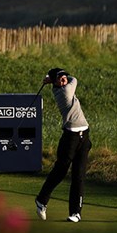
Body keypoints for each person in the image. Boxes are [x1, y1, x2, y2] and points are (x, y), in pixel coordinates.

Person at [34, 68, 92, 223]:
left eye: (64, 76)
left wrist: (50, 80)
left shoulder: (60, 87)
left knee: (78, 175)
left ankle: (75, 213)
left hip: (84, 136)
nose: (64, 79)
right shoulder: (65, 92)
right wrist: (51, 80)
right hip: (71, 138)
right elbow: (75, 79)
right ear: (56, 82)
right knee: (60, 171)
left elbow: (70, 78)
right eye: (59, 78)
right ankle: (41, 200)